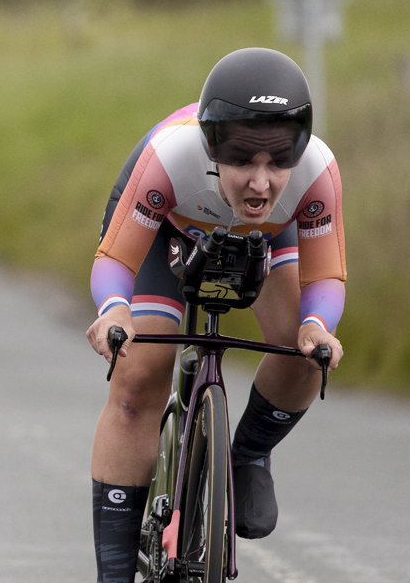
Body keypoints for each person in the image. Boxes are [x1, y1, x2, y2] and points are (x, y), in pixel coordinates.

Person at [85, 47, 345, 582]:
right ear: (210, 147)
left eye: (279, 161)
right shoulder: (169, 158)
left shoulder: (317, 171)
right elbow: (115, 259)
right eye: (242, 160)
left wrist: (319, 328)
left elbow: (325, 278)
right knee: (138, 375)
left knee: (302, 353)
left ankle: (247, 454)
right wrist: (115, 312)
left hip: (268, 237)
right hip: (166, 228)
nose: (261, 181)